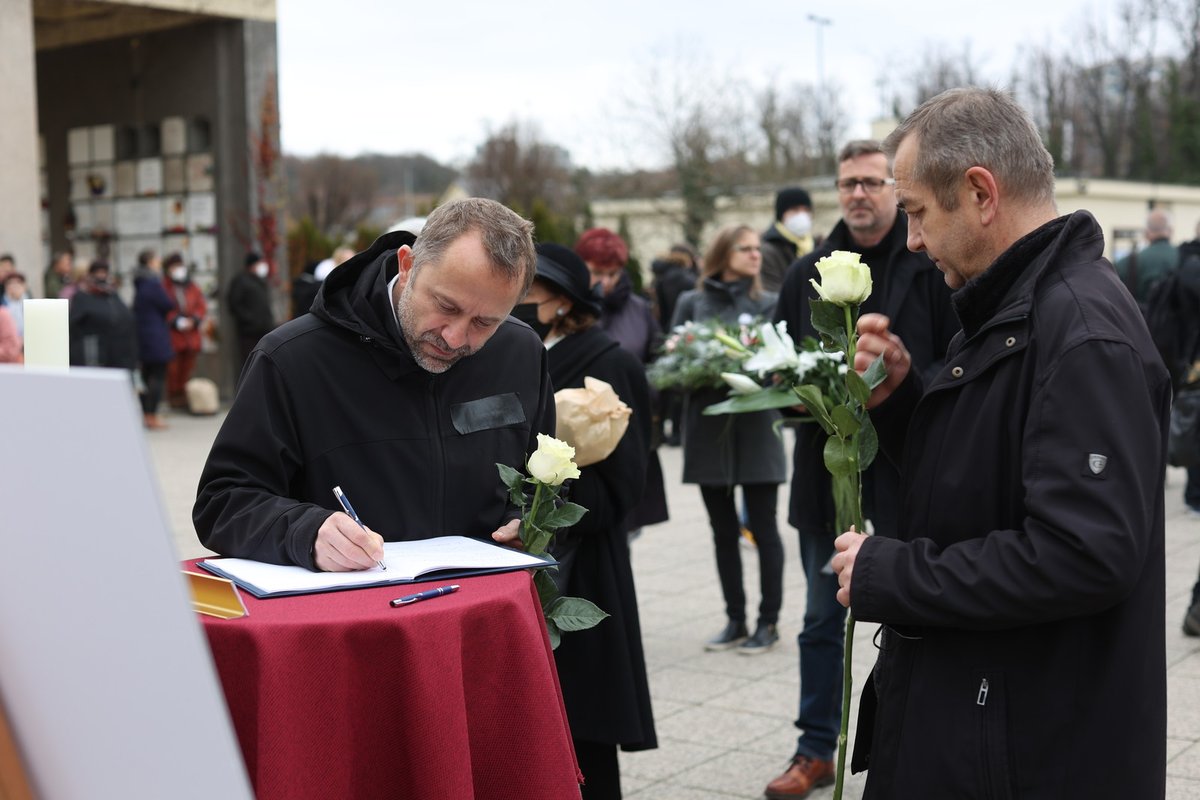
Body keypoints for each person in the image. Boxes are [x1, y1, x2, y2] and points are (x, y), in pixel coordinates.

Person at [829, 87, 1167, 798]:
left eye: (918, 212)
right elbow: (993, 479)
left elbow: (1084, 554)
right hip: (988, 717)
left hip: (1019, 744)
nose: (912, 241)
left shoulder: (1079, 330)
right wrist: (902, 404)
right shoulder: (1018, 305)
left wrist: (892, 575)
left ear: (980, 191)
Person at [193, 197, 553, 572]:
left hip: (480, 615)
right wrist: (307, 533)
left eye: (485, 323)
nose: (456, 337)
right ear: (408, 263)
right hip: (352, 622)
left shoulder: (521, 352)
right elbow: (223, 502)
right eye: (446, 306)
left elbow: (542, 485)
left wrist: (526, 521)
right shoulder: (291, 359)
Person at [764, 140, 957, 799]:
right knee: (823, 619)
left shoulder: (924, 262)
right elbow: (780, 361)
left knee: (915, 610)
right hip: (830, 475)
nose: (859, 194)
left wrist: (896, 387)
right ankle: (816, 748)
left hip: (907, 467)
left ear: (893, 189)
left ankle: (917, 738)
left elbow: (953, 363)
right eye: (848, 182)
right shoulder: (807, 271)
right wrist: (805, 397)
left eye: (873, 182)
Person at [513, 242, 656, 799]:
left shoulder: (608, 362)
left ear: (565, 301)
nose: (516, 303)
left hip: (581, 564)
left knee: (581, 725)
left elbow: (623, 486)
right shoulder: (499, 350)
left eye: (529, 292)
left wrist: (546, 508)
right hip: (506, 560)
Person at [670, 224, 786, 653]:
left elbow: (782, 362)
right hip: (708, 432)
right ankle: (735, 620)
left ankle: (768, 622)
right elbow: (670, 362)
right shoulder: (691, 302)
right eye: (746, 248)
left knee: (764, 527)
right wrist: (696, 367)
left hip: (758, 429)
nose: (756, 255)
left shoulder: (769, 302)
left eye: (758, 248)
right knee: (722, 531)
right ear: (723, 252)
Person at [575, 227, 669, 536]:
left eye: (612, 273)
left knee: (625, 529)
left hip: (628, 429)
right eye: (596, 272)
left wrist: (646, 392)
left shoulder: (639, 310)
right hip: (580, 435)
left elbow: (658, 361)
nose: (606, 281)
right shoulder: (571, 308)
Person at [132, 250, 175, 429]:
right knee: (157, 376)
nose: (159, 263)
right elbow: (168, 304)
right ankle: (151, 415)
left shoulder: (140, 283)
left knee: (146, 375)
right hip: (155, 336)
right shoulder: (152, 284)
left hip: (143, 336)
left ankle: (146, 414)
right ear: (149, 262)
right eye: (157, 259)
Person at [68, 260, 137, 370]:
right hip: (94, 355)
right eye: (98, 272)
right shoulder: (82, 296)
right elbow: (74, 325)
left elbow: (126, 317)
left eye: (104, 272)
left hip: (118, 353)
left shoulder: (112, 294)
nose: (101, 276)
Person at [163, 254, 208, 410]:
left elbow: (201, 306)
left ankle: (185, 397)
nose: (178, 270)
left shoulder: (192, 286)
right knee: (173, 370)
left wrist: (194, 320)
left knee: (188, 367)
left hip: (191, 335)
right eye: (174, 267)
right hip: (174, 335)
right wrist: (176, 321)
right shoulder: (165, 287)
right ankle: (175, 397)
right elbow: (164, 308)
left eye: (179, 266)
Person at [226, 251, 276, 375]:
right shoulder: (241, 281)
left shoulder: (260, 281)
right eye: (259, 263)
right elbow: (234, 304)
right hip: (249, 333)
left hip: (264, 330)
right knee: (250, 365)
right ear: (251, 265)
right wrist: (250, 319)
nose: (262, 266)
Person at [1115, 209, 1179, 305]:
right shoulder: (1186, 259)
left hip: (1141, 318)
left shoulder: (1127, 263)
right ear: (1170, 231)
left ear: (1146, 233)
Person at [760, 187, 815, 292]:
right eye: (795, 210)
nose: (802, 215)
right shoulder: (767, 251)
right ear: (781, 214)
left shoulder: (817, 245)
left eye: (806, 210)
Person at [1, 272, 27, 337]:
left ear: (24, 286)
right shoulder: (1, 305)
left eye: (18, 282)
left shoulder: (31, 303)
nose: (15, 285)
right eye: (10, 283)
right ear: (6, 286)